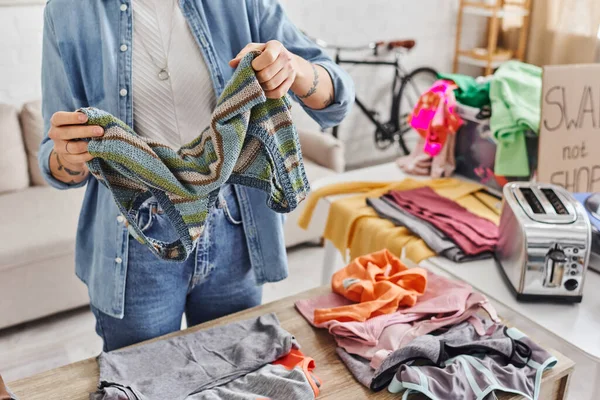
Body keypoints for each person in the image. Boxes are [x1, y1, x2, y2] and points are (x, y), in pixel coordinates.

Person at [39, 0, 354, 352]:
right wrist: (69, 155)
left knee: (236, 373)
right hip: (135, 239)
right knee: (146, 380)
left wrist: (293, 68)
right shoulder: (69, 11)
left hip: (235, 227)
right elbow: (54, 160)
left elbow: (338, 94)